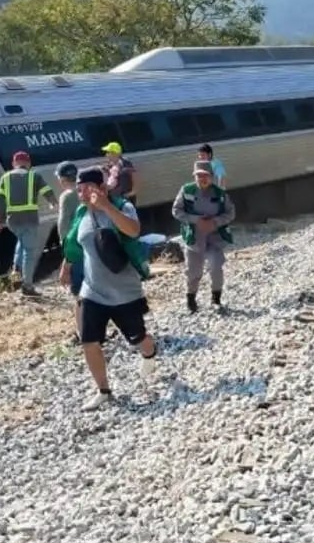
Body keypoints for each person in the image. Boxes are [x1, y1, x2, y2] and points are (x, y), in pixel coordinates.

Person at [61, 168, 156, 409]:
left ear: (101, 188)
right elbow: (75, 242)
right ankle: (103, 390)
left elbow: (133, 231)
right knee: (88, 340)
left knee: (138, 339)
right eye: (79, 188)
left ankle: (149, 354)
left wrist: (106, 207)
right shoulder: (81, 213)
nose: (81, 193)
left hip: (124, 291)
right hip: (92, 290)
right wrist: (67, 265)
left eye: (86, 188)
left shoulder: (121, 206)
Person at [171, 161, 236, 314]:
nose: (202, 178)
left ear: (212, 177)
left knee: (215, 268)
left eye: (205, 175)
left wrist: (215, 222)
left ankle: (216, 299)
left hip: (215, 239)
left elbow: (231, 213)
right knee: (193, 272)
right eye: (199, 175)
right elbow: (176, 210)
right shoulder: (186, 190)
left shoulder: (220, 193)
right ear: (194, 177)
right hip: (194, 238)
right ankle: (191, 299)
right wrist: (195, 220)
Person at [0, 151, 57, 295]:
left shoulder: (5, 178)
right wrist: (54, 203)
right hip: (30, 219)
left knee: (21, 242)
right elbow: (47, 191)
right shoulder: (34, 176)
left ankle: (16, 268)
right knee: (29, 252)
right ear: (28, 163)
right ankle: (27, 285)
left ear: (14, 164)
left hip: (13, 221)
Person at [55, 161, 85, 342]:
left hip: (76, 250)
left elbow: (64, 228)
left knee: (80, 293)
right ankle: (100, 329)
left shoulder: (67, 196)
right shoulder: (86, 191)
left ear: (61, 178)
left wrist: (66, 259)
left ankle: (83, 333)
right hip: (92, 247)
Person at [101, 142, 138, 206]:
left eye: (108, 153)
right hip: (115, 198)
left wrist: (132, 192)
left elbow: (134, 177)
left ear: (114, 153)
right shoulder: (110, 165)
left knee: (128, 215)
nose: (106, 155)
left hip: (126, 197)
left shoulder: (125, 163)